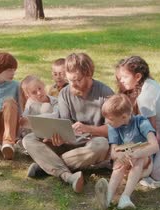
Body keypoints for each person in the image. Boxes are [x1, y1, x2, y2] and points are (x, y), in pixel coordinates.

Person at [22, 53, 114, 193]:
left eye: (77, 80)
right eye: (70, 80)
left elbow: (112, 129)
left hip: (89, 146)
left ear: (89, 74)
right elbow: (63, 124)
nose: (72, 85)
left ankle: (46, 166)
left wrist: (88, 129)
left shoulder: (105, 93)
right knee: (29, 139)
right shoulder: (65, 93)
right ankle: (66, 175)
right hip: (68, 144)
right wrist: (57, 137)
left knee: (101, 145)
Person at [95, 94, 159, 210]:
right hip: (125, 167)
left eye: (110, 119)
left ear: (124, 117)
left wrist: (136, 154)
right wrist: (119, 155)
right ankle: (108, 196)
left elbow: (155, 146)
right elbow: (113, 152)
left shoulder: (141, 122)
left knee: (138, 159)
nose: (106, 121)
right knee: (120, 162)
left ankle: (125, 197)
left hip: (144, 166)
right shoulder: (113, 126)